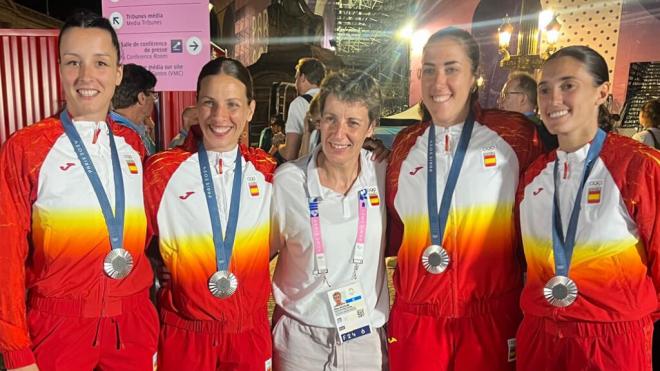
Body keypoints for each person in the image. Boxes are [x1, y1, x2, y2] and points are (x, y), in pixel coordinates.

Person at [0, 10, 158, 371]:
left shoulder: (133, 144)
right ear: (59, 69)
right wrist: (15, 351)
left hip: (133, 325)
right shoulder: (27, 148)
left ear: (118, 73)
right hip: (59, 328)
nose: (86, 76)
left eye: (100, 63)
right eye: (73, 62)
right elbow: (5, 257)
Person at [385, 27, 543, 371]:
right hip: (418, 317)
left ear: (475, 76)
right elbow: (395, 229)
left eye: (451, 68)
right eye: (428, 69)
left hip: (490, 317)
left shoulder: (514, 136)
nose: (438, 81)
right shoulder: (404, 145)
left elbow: (541, 223)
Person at [516, 45, 660, 370]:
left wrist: (623, 314)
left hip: (612, 339)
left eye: (568, 85)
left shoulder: (639, 167)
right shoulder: (532, 175)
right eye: (544, 89)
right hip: (539, 335)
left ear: (601, 93)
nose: (553, 100)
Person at [144, 57, 276, 371]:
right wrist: (162, 266)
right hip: (184, 332)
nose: (219, 116)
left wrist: (372, 157)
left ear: (250, 110)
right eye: (209, 103)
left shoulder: (270, 173)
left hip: (248, 333)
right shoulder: (162, 171)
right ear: (196, 105)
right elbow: (134, 244)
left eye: (232, 104)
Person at [271, 70, 389, 370]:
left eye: (353, 123)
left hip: (363, 337)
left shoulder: (384, 174)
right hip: (300, 337)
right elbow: (257, 251)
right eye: (331, 119)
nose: (339, 134)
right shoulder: (288, 182)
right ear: (318, 120)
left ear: (371, 127)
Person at [498, 71, 558, 151]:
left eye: (505, 95)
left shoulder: (517, 134)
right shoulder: (548, 132)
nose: (499, 101)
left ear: (522, 99)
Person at [281, 57, 326, 161]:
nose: (295, 83)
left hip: (308, 167)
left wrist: (278, 144)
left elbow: (290, 154)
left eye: (296, 78)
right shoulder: (332, 100)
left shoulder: (298, 104)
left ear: (303, 77)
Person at [111, 63, 159, 155]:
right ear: (142, 98)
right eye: (153, 94)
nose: (154, 99)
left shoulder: (137, 130)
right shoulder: (123, 138)